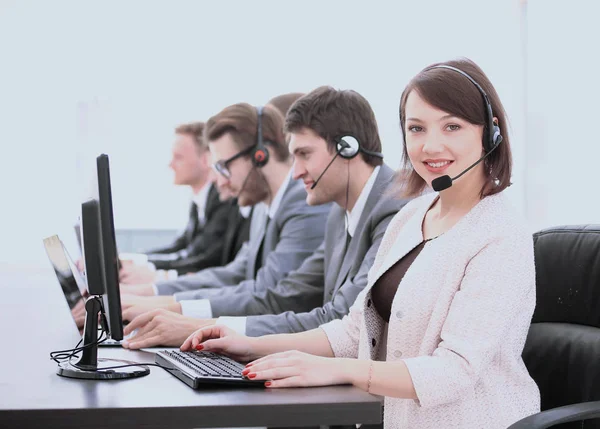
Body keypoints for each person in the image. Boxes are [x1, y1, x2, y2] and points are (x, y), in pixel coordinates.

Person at [181, 58, 541, 429]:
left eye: (452, 126)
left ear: (490, 133)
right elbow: (355, 331)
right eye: (416, 128)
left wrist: (332, 370)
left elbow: (453, 372)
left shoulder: (499, 235)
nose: (431, 145)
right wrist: (249, 343)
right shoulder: (411, 216)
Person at [121, 86, 409, 349]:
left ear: (348, 148)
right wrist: (168, 308)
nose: (295, 172)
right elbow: (288, 292)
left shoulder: (395, 209)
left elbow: (340, 318)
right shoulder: (338, 214)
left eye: (304, 154)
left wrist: (205, 328)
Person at [119, 103, 332, 344]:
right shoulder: (263, 208)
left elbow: (270, 295)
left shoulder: (304, 205)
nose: (218, 181)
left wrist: (177, 312)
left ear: (260, 155)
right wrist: (151, 296)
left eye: (223, 166)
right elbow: (233, 275)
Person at [119, 122, 239, 284]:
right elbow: (181, 246)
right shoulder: (199, 199)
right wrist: (135, 260)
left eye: (179, 157)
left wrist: (152, 270)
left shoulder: (223, 199)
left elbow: (202, 257)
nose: (170, 164)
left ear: (205, 160)